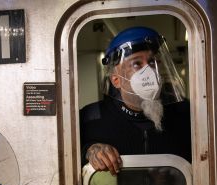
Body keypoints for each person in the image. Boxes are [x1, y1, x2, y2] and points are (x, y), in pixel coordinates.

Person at [80, 26, 192, 174]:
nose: (150, 71)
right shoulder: (91, 118)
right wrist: (89, 150)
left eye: (152, 62)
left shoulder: (184, 113)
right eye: (136, 64)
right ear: (116, 80)